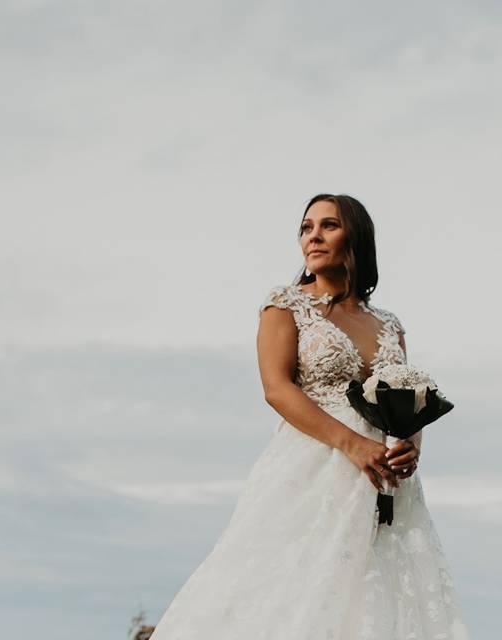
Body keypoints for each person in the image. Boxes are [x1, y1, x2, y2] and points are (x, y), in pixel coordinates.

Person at [150, 194, 471, 640]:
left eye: (328, 225)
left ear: (355, 236)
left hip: (386, 480)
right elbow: (276, 389)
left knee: (379, 598)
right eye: (306, 227)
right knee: (292, 589)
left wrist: (410, 449)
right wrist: (353, 444)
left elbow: (406, 396)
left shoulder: (390, 325)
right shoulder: (285, 305)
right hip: (314, 467)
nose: (313, 236)